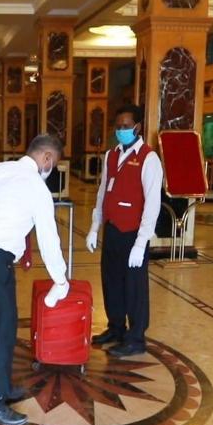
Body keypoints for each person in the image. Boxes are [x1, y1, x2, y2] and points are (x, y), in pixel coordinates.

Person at [0, 135, 70, 425]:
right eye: (53, 163)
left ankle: (3, 386)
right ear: (46, 158)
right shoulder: (36, 186)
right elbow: (48, 238)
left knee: (6, 325)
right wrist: (61, 279)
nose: (51, 169)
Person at [85, 104, 163, 357]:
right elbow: (102, 193)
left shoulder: (149, 159)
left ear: (137, 127)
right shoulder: (111, 155)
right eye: (118, 126)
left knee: (134, 287)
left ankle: (136, 337)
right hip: (112, 229)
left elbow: (152, 204)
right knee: (112, 281)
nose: (121, 130)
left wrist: (141, 242)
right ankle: (116, 328)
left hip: (133, 232)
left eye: (126, 126)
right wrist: (95, 227)